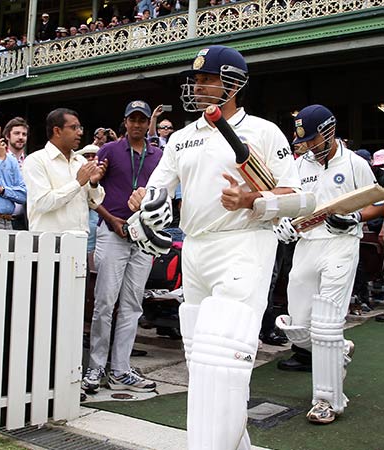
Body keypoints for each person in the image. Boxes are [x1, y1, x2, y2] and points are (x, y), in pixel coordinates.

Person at [127, 45, 300, 449]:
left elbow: (295, 195)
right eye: (197, 78)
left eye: (208, 78)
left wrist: (252, 200)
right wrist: (144, 204)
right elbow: (158, 189)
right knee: (203, 366)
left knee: (224, 363)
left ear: (234, 83)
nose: (198, 84)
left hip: (243, 244)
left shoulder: (261, 131)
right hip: (195, 248)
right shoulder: (182, 138)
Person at [273, 104, 380, 424]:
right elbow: (288, 198)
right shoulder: (299, 164)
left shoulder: (355, 163)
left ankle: (327, 400)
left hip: (341, 246)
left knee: (326, 323)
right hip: (307, 245)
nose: (306, 146)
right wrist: (284, 220)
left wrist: (356, 218)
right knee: (298, 326)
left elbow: (377, 203)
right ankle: (339, 348)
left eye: (311, 139)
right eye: (302, 140)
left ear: (328, 131)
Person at [82, 100, 162, 396]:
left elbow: (162, 195)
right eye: (133, 119)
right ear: (125, 122)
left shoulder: (159, 156)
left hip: (144, 236)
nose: (138, 124)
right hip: (113, 231)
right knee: (104, 302)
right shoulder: (109, 150)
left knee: (132, 305)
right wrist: (111, 220)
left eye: (143, 119)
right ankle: (96, 367)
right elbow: (93, 194)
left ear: (147, 123)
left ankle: (120, 369)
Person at [24, 108, 106, 233]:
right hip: (49, 240)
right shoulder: (35, 160)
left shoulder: (81, 162)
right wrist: (77, 183)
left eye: (80, 128)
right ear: (57, 131)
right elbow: (43, 203)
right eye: (74, 128)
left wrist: (94, 184)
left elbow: (96, 202)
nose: (80, 133)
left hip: (79, 239)